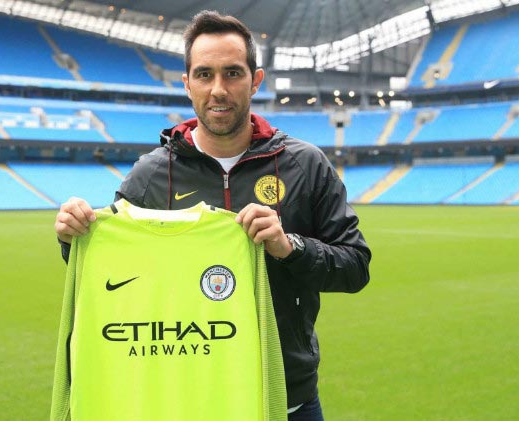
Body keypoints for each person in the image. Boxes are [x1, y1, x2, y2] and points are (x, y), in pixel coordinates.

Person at [54, 10, 371, 421]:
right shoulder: (152, 174)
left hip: (286, 396)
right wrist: (73, 237)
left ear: (255, 80)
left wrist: (287, 247)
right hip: (184, 394)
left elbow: (355, 266)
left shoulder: (305, 164)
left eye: (232, 73)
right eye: (204, 75)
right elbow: (112, 271)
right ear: (187, 85)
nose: (218, 89)